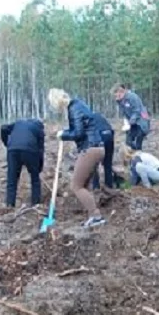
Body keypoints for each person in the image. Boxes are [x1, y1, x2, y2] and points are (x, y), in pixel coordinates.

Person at [47, 88, 106, 228]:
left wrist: (63, 135)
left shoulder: (74, 108)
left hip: (89, 149)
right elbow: (81, 129)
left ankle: (96, 216)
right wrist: (66, 132)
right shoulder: (79, 105)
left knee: (76, 186)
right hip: (96, 147)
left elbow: (78, 133)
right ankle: (93, 217)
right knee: (85, 185)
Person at [0, 118, 45, 208]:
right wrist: (39, 168)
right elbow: (40, 151)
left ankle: (10, 204)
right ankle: (36, 204)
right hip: (30, 151)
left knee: (12, 179)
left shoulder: (18, 123)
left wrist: (7, 144)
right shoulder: (39, 130)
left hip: (13, 151)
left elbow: (3, 128)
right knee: (35, 179)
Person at [112, 83, 152, 151]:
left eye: (118, 95)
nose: (116, 97)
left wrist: (130, 121)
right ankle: (132, 156)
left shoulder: (132, 97)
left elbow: (137, 111)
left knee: (137, 143)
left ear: (122, 92)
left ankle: (139, 156)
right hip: (132, 124)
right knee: (128, 143)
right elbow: (125, 113)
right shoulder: (120, 101)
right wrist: (126, 122)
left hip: (141, 122)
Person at [89, 111, 115, 190]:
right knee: (108, 165)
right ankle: (109, 187)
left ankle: (96, 188)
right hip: (109, 136)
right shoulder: (99, 116)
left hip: (99, 138)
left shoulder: (85, 119)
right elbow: (111, 130)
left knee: (93, 165)